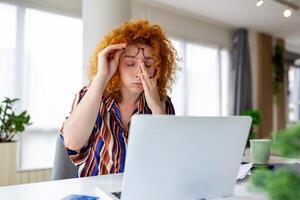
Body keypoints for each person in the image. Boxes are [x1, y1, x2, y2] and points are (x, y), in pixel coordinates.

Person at [60, 19, 178, 177]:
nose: (140, 73)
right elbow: (73, 143)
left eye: (148, 65)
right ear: (115, 65)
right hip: (96, 191)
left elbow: (169, 161)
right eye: (130, 64)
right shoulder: (90, 95)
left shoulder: (164, 104)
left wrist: (156, 108)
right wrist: (102, 75)